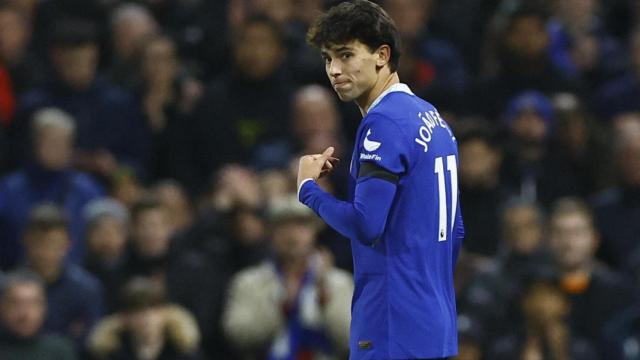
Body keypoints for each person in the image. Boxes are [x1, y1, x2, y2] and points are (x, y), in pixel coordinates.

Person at [298, 1, 464, 358]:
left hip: (392, 325)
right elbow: (456, 230)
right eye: (328, 59)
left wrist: (308, 189)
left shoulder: (383, 123)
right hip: (436, 324)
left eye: (346, 55)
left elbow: (366, 224)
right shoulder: (432, 118)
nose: (335, 70)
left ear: (382, 55)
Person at [223, 194, 353, 360]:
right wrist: (282, 305)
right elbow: (237, 335)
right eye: (283, 226)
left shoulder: (339, 282)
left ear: (315, 230)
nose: (291, 235)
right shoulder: (248, 282)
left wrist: (324, 297)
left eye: (301, 225)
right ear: (270, 233)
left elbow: (352, 339)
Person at [0, 270, 77, 360]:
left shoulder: (60, 351)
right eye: (16, 304)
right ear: (3, 306)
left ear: (44, 307)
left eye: (33, 304)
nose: (25, 314)